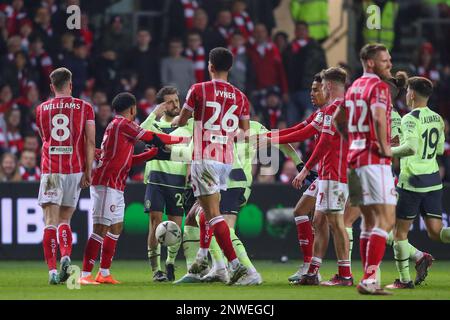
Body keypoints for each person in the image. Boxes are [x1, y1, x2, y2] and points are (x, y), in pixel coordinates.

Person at [79, 92, 186, 285]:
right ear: (132, 109)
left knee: (116, 228)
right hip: (106, 183)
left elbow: (127, 161)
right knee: (100, 229)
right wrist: (179, 141)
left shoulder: (119, 129)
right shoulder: (122, 124)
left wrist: (150, 155)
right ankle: (85, 274)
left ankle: (103, 272)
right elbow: (149, 135)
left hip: (116, 185)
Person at [171, 47, 250, 285]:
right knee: (202, 213)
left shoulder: (198, 89)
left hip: (204, 157)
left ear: (210, 66)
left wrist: (176, 120)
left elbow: (183, 119)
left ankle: (235, 265)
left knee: (213, 215)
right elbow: (244, 133)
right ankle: (204, 256)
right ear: (230, 67)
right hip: (225, 159)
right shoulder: (240, 96)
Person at [333, 43, 396, 295]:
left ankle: (369, 278)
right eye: (384, 61)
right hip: (373, 160)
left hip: (354, 158)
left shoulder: (354, 87)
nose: (389, 64)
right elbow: (380, 118)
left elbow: (338, 116)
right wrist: (384, 147)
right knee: (387, 219)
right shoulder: (378, 87)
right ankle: (370, 279)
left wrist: (352, 139)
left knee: (369, 221)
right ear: (370, 62)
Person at [386, 77, 450, 289]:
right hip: (433, 179)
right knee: (436, 232)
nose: (406, 95)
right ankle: (416, 263)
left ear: (412, 94)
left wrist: (386, 151)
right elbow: (440, 149)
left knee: (399, 233)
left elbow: (411, 148)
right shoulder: (438, 118)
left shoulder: (409, 118)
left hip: (412, 181)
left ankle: (404, 280)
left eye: (407, 92)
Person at [291, 67, 352, 286]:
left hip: (334, 173)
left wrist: (306, 168)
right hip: (337, 172)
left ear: (329, 86)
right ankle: (312, 271)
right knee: (319, 220)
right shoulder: (349, 107)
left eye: (323, 86)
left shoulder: (334, 109)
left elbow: (325, 142)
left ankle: (345, 275)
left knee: (336, 223)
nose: (321, 90)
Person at [36, 67, 96, 285]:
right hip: (75, 171)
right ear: (70, 85)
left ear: (52, 87)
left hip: (51, 170)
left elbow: (45, 138)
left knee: (49, 222)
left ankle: (52, 271)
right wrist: (88, 171)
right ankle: (67, 256)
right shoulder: (85, 107)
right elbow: (90, 142)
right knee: (65, 220)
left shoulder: (41, 109)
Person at [140, 86, 192, 282]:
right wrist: (154, 113)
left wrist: (188, 166)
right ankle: (156, 270)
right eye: (170, 101)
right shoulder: (154, 124)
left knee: (175, 227)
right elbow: (140, 131)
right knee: (154, 223)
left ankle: (170, 262)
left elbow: (193, 148)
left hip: (178, 180)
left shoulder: (188, 125)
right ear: (162, 104)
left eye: (177, 101)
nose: (175, 105)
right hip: (156, 178)